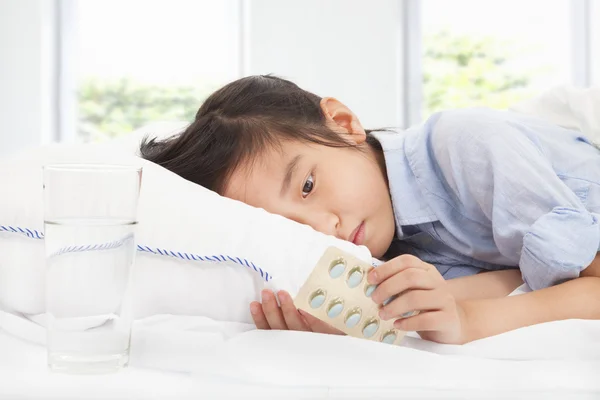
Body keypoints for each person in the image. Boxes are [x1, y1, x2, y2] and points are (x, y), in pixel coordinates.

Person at [140, 75, 600, 344]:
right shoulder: (393, 249)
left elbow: (591, 285)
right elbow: (522, 280)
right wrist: (360, 319)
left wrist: (469, 321)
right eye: (291, 228)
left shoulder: (464, 147)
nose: (325, 227)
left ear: (343, 124)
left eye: (306, 185)